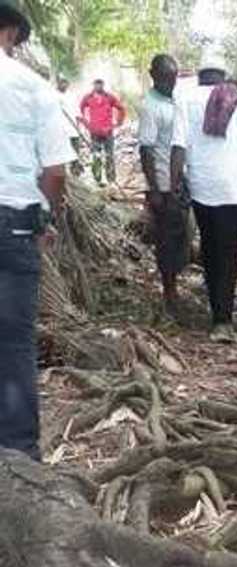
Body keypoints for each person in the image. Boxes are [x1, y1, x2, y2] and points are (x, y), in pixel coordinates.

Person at [0, 0, 76, 458]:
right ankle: (18, 456)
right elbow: (55, 172)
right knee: (12, 341)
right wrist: (48, 215)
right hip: (13, 224)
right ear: (9, 34)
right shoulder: (31, 87)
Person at [170, 49, 237, 343]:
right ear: (223, 74)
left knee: (210, 247)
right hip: (233, 186)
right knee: (230, 250)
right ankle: (225, 320)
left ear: (200, 74)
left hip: (203, 185)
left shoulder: (185, 97)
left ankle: (215, 312)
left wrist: (174, 185)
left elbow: (178, 145)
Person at [138, 54, 190, 319]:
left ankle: (175, 287)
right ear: (153, 75)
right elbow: (146, 149)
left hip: (177, 183)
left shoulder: (173, 101)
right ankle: (169, 292)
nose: (171, 82)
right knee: (167, 240)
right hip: (162, 184)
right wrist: (155, 190)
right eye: (166, 77)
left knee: (180, 237)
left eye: (174, 77)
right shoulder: (150, 106)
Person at [79, 78, 125, 185]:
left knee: (109, 156)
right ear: (93, 85)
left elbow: (121, 109)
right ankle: (97, 180)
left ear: (103, 85)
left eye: (100, 84)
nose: (98, 86)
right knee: (96, 156)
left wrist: (117, 123)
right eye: (96, 84)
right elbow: (79, 110)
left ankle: (111, 180)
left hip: (108, 132)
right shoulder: (88, 97)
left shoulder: (109, 97)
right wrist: (86, 124)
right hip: (94, 132)